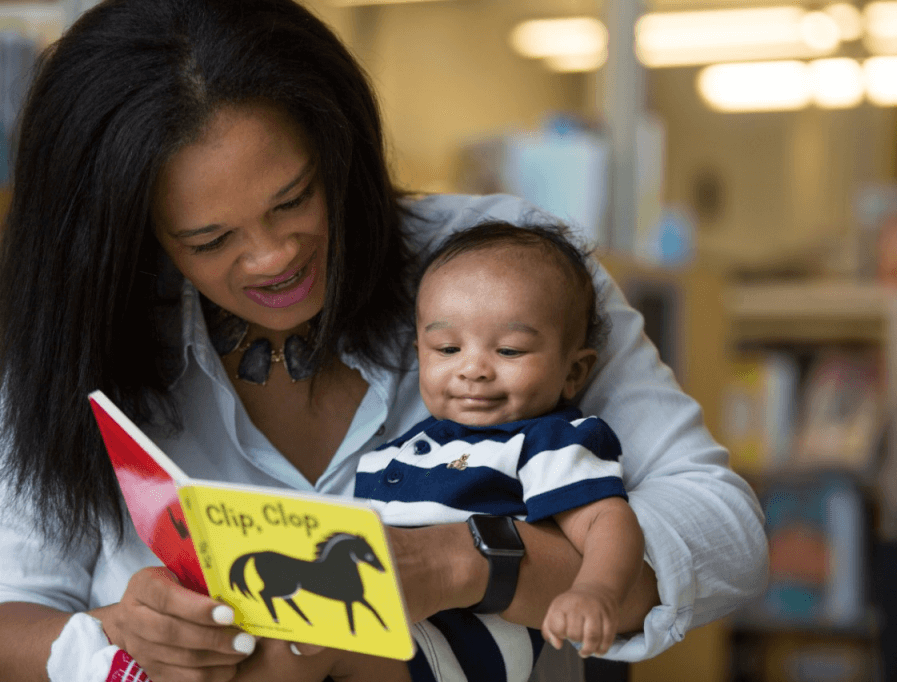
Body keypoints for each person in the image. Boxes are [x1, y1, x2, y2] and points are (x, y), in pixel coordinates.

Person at [0, 1, 769, 682]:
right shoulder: (86, 332)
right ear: (138, 241)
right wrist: (117, 634)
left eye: (294, 199)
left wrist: (469, 564)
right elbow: (15, 610)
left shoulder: (503, 272)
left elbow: (724, 532)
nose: (271, 257)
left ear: (339, 152)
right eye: (209, 240)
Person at [356, 222, 644, 680]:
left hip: (464, 653)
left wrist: (594, 591)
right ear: (420, 354)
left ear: (574, 371)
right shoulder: (392, 456)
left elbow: (605, 520)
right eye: (447, 348)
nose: (473, 369)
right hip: (382, 629)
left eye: (509, 351)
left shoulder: (544, 443)